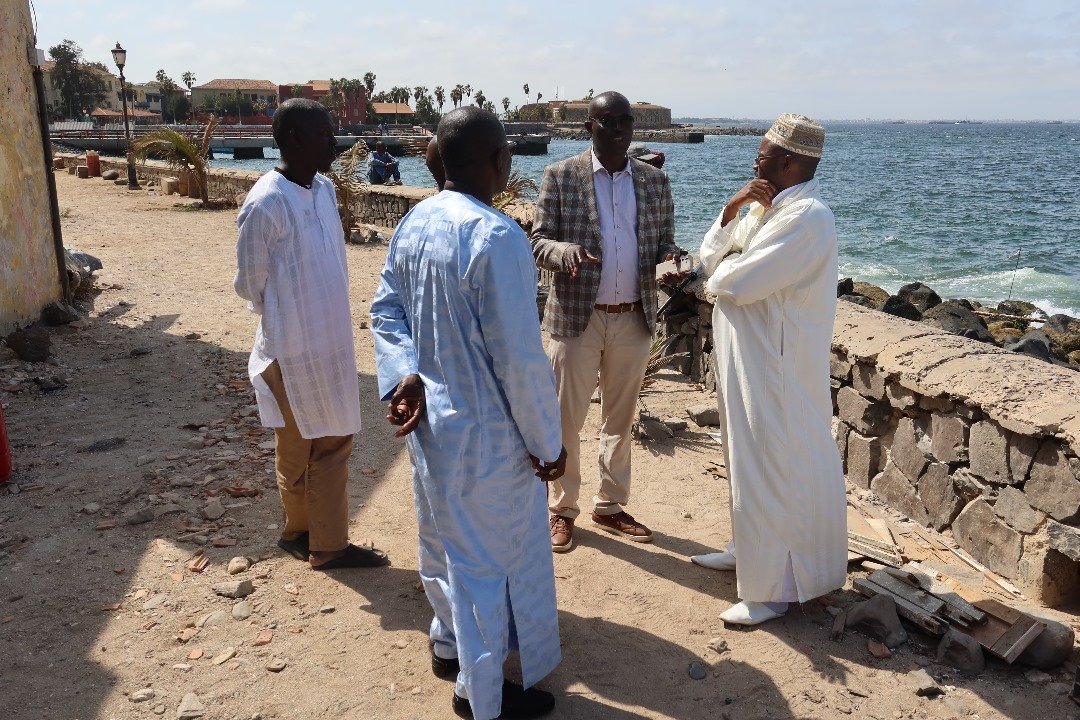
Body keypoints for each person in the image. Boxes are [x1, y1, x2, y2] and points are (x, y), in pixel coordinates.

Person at [371, 106, 566, 720]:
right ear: (499, 161)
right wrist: (549, 443)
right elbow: (520, 361)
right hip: (487, 436)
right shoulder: (497, 237)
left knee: (441, 542)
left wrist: (403, 374)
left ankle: (448, 643)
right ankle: (481, 697)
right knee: (485, 563)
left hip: (431, 424)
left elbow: (386, 310)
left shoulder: (417, 221)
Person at [690, 114, 847, 626]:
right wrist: (731, 209)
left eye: (762, 158)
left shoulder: (807, 218)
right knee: (743, 457)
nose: (754, 166)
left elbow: (737, 282)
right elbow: (710, 257)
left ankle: (772, 591)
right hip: (746, 356)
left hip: (777, 368)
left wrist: (722, 273)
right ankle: (747, 551)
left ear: (790, 163)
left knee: (773, 463)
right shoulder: (764, 209)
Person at [233, 98, 389, 571]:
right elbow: (248, 282)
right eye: (324, 133)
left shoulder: (321, 189)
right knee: (310, 445)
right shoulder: (266, 202)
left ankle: (305, 534)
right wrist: (288, 319)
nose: (334, 142)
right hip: (291, 348)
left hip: (331, 341)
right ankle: (322, 542)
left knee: (325, 440)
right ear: (295, 138)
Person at [531, 90, 680, 552]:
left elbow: (664, 242)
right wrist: (564, 252)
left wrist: (672, 260)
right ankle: (561, 509)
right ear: (589, 127)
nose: (617, 129)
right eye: (607, 121)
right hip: (578, 316)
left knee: (620, 419)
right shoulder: (561, 176)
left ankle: (610, 505)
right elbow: (538, 241)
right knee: (566, 420)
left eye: (624, 121)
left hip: (633, 316)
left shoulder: (654, 182)